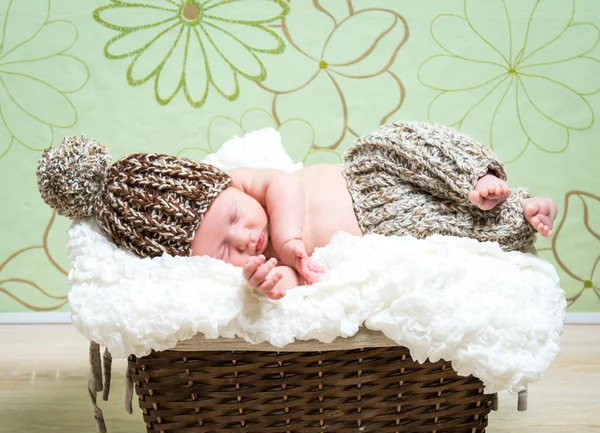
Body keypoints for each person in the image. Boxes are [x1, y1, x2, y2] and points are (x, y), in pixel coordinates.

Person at [37, 122, 557, 300]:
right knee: (451, 232)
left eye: (236, 218)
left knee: (393, 141)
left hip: (367, 176)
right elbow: (288, 289)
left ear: (229, 187)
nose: (245, 240)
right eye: (222, 249)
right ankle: (520, 213)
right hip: (385, 227)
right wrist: (268, 283)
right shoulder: (260, 265)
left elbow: (284, 184)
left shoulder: (248, 186)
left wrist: (287, 240)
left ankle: (477, 177)